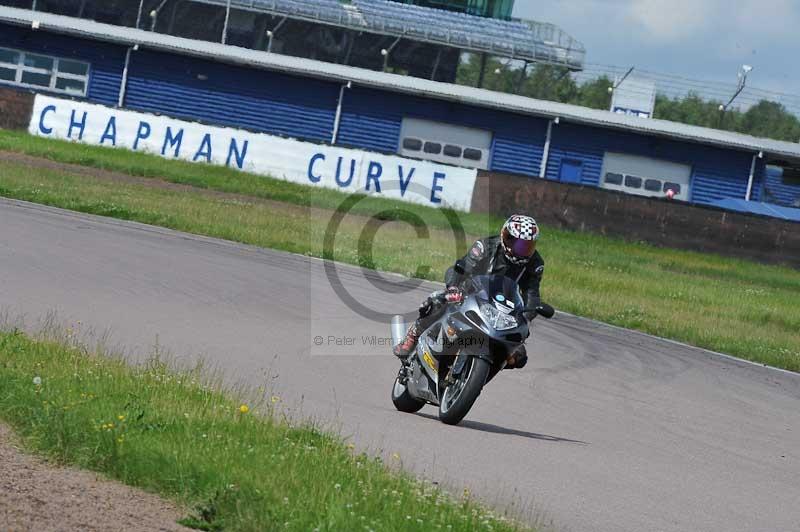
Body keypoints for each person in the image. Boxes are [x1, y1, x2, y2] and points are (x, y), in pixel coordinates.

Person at [393, 214, 545, 369]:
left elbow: (532, 293)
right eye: (519, 245)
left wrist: (526, 317)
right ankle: (413, 335)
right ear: (506, 237)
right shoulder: (486, 246)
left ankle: (481, 370)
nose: (521, 250)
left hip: (503, 310)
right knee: (438, 301)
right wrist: (454, 289)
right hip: (471, 293)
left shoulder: (535, 264)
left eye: (527, 246)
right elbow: (462, 268)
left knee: (519, 356)